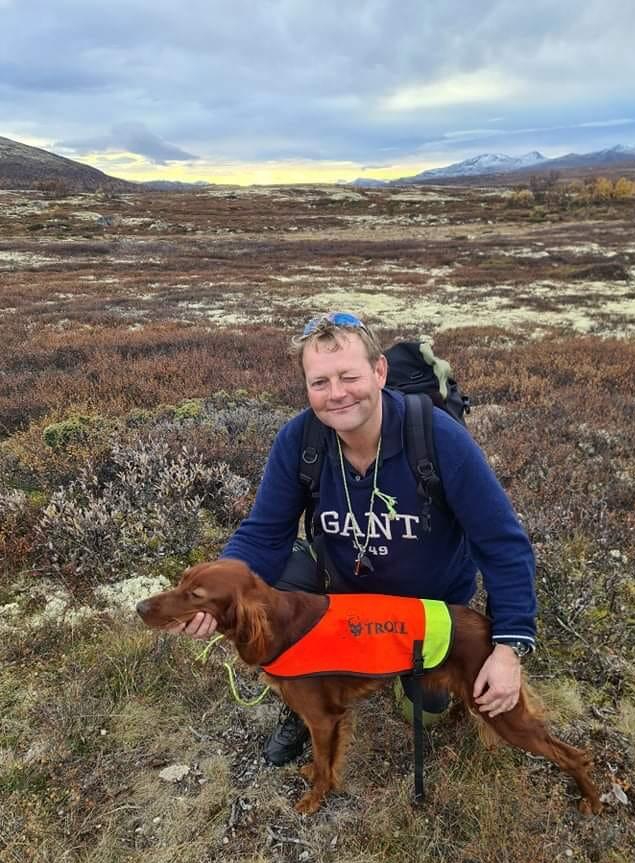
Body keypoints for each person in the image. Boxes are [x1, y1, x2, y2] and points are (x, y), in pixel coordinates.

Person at [170, 312, 537, 765]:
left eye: (349, 377)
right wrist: (214, 599)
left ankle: (405, 677)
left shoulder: (438, 438)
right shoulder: (300, 440)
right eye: (320, 382)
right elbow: (263, 534)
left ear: (379, 371)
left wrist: (509, 648)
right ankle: (304, 695)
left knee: (426, 711)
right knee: (274, 581)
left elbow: (502, 543)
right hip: (341, 602)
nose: (336, 394)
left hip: (426, 613)